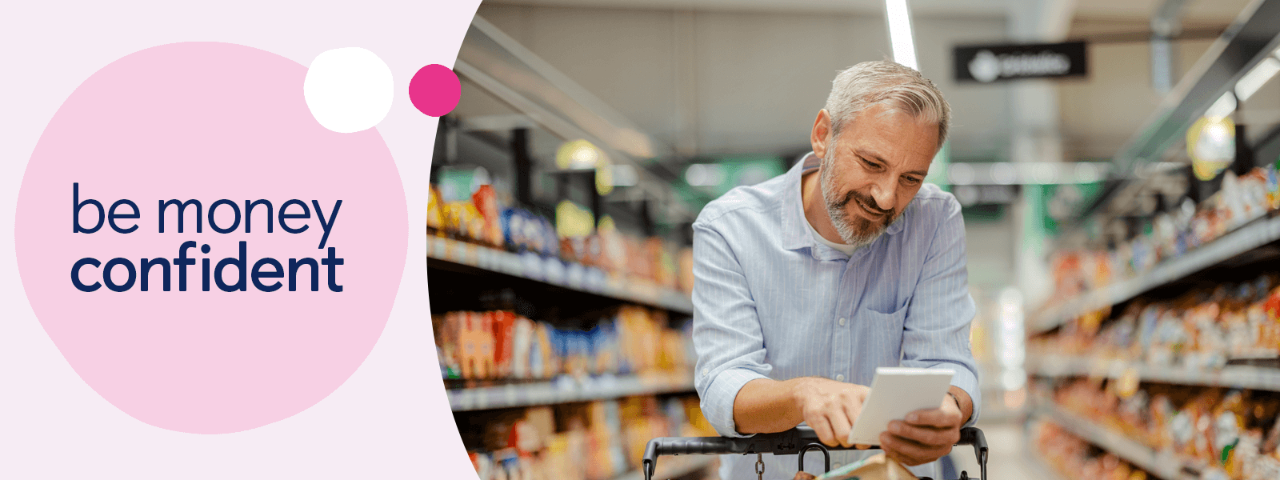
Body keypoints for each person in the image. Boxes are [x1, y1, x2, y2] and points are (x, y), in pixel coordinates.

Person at [691, 60, 979, 479]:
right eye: (872, 164)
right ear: (823, 134)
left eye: (911, 178)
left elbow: (947, 363)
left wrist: (950, 408)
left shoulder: (935, 221)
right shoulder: (730, 228)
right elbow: (723, 384)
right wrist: (803, 395)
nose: (886, 197)